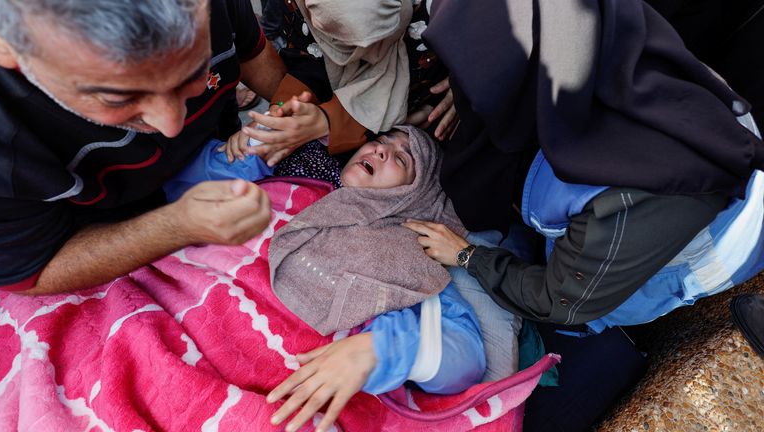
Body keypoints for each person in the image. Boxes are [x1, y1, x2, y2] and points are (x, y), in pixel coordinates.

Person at [408, 0, 764, 429]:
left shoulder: (623, 198)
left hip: (652, 271)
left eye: (472, 73)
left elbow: (561, 300)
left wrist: (468, 256)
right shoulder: (609, 33)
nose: (469, 86)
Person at [166, 125, 495, 432]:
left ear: (416, 195)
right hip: (176, 306)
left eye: (403, 158)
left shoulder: (414, 257)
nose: (382, 151)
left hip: (267, 383)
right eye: (381, 141)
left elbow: (465, 360)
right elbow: (176, 182)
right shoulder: (299, 171)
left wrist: (378, 348)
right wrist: (256, 146)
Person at [0, 0, 287, 295]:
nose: (172, 124)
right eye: (118, 99)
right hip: (100, 243)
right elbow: (31, 273)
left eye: (195, 71)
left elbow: (257, 57)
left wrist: (286, 109)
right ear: (6, 46)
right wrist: (177, 225)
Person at [224, 0, 458, 168]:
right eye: (336, 38)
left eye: (368, 42)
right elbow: (310, 59)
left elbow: (415, 83)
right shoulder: (301, 7)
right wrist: (279, 114)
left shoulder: (441, 15)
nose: (353, 54)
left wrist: (467, 84)